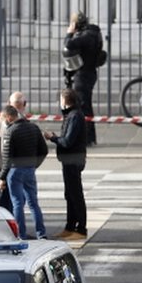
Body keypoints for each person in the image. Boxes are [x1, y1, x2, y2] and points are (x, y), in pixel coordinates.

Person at [0, 105, 48, 240]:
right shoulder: (34, 128)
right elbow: (44, 150)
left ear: (9, 117)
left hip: (15, 172)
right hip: (30, 170)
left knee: (17, 203)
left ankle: (21, 234)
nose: (3, 121)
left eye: (3, 118)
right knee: (33, 203)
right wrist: (34, 165)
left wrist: (2, 178)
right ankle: (41, 233)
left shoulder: (10, 131)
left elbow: (7, 159)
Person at [44, 89, 89, 241]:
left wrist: (53, 138)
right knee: (69, 194)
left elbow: (67, 141)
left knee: (76, 194)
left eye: (61, 100)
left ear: (65, 101)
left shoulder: (75, 116)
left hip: (73, 160)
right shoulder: (70, 115)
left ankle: (81, 228)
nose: (59, 103)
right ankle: (70, 226)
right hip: (68, 160)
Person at [63, 12, 103, 145]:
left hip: (83, 74)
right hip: (89, 72)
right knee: (86, 106)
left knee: (83, 107)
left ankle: (87, 138)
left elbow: (68, 44)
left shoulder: (86, 36)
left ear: (75, 24)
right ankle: (90, 137)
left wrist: (69, 32)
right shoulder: (93, 33)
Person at [0, 91, 28, 213]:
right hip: (9, 167)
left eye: (19, 106)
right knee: (13, 200)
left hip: (14, 167)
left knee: (15, 200)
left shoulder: (22, 122)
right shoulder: (4, 122)